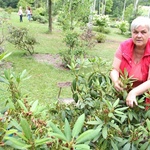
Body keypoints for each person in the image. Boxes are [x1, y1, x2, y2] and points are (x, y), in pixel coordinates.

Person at [110, 16, 150, 110]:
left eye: (143, 32)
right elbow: (114, 70)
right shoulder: (124, 46)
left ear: (149, 34)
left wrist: (133, 93)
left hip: (145, 98)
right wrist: (116, 81)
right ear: (131, 33)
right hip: (123, 94)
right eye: (135, 32)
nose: (139, 35)